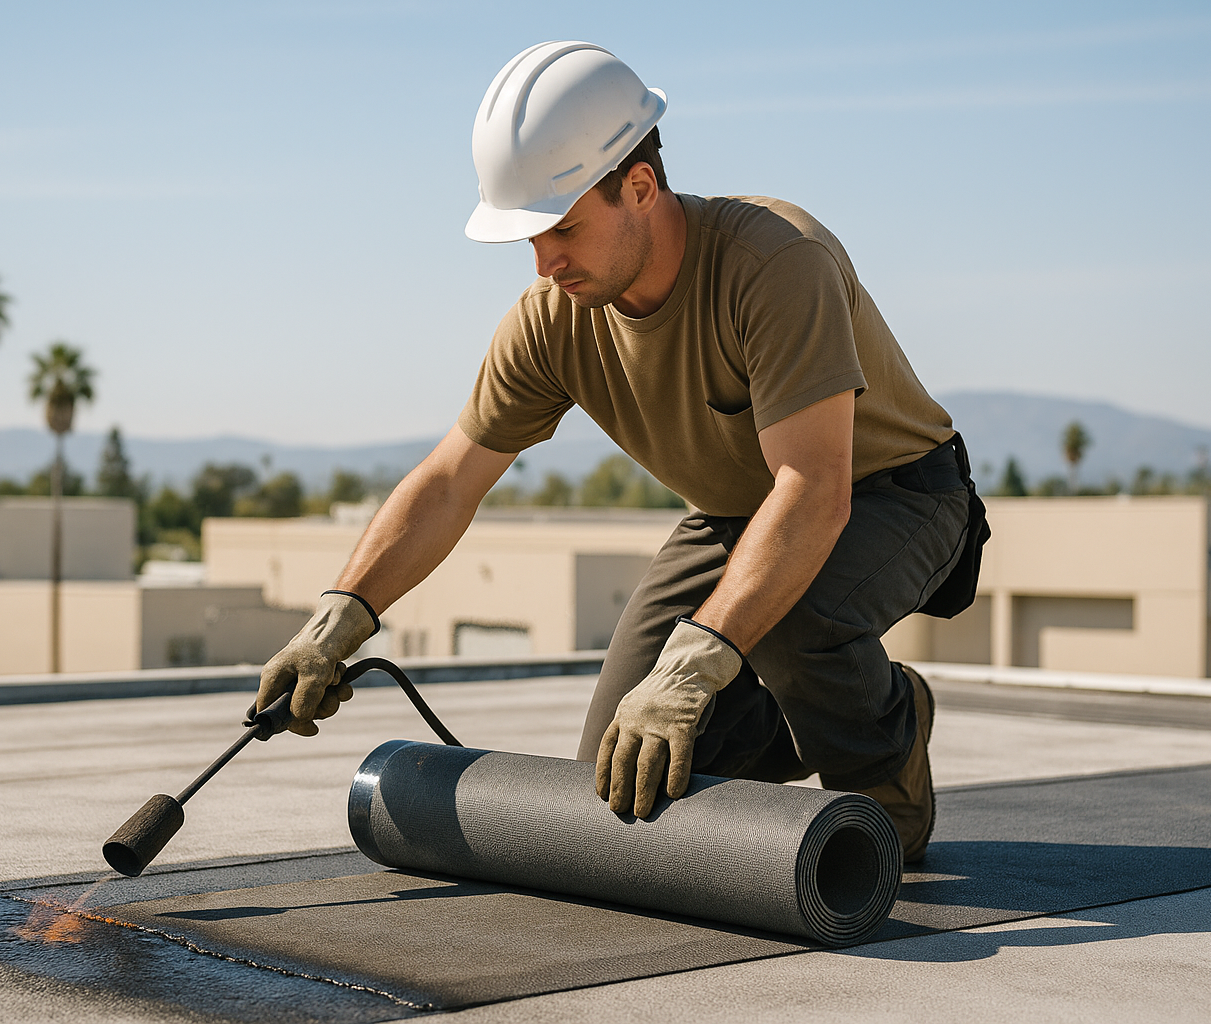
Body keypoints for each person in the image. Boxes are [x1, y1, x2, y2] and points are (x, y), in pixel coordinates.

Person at [254, 41, 987, 862]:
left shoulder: (774, 262)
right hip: (735, 519)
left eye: (562, 227)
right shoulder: (554, 317)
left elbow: (813, 491)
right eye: (529, 237)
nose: (544, 262)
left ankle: (883, 776)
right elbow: (449, 482)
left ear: (639, 186)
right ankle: (842, 708)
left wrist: (693, 667)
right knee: (624, 768)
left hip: (897, 494)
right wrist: (335, 622)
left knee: (793, 626)